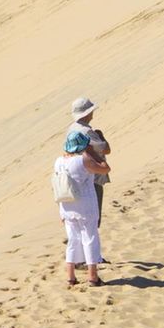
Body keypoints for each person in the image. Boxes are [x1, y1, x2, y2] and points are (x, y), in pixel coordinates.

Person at [57, 103, 112, 286]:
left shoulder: (59, 161)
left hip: (66, 205)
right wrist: (99, 142)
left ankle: (71, 276)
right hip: (85, 202)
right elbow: (105, 157)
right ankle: (92, 275)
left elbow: (56, 185)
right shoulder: (83, 156)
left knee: (73, 238)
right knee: (90, 235)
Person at [66, 97, 111, 228]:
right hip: (92, 177)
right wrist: (101, 136)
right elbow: (106, 149)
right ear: (87, 113)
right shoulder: (87, 131)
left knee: (80, 218)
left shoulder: (71, 129)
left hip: (76, 177)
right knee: (93, 219)